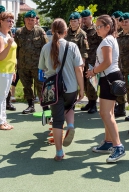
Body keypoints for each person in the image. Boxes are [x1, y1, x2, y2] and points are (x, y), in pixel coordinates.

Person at [38, 18, 84, 161]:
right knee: (69, 107)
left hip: (54, 89)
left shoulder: (46, 47)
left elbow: (42, 68)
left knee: (57, 121)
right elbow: (79, 70)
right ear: (66, 31)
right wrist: (81, 89)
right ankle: (70, 125)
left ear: (51, 31)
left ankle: (59, 152)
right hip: (70, 87)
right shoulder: (72, 46)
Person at [86, 14, 126, 163]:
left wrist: (93, 72)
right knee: (107, 113)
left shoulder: (108, 40)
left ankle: (118, 146)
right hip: (108, 77)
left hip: (110, 77)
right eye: (96, 26)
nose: (97, 29)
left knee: (106, 113)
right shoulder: (109, 39)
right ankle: (109, 142)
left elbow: (108, 62)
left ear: (108, 27)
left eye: (99, 26)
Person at [14, 10, 48, 114]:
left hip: (38, 66)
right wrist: (15, 62)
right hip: (23, 66)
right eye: (28, 19)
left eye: (32, 20)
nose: (30, 21)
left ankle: (45, 109)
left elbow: (46, 49)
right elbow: (15, 49)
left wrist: (46, 64)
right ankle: (30, 105)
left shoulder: (40, 32)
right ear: (24, 20)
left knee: (41, 87)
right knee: (27, 86)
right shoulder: (19, 32)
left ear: (35, 21)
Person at [0, 11, 17, 130]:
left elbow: (11, 55)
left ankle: (3, 120)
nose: (11, 23)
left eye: (12, 20)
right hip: (1, 70)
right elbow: (1, 56)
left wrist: (13, 70)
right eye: (8, 20)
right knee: (0, 97)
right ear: (1, 22)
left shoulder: (7, 36)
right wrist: (9, 45)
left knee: (5, 96)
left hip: (8, 70)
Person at [80, 9, 103, 114]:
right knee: (85, 82)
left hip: (93, 61)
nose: (83, 20)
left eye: (85, 18)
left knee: (92, 83)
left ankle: (93, 104)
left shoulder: (96, 29)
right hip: (83, 60)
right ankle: (89, 101)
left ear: (90, 17)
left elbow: (101, 45)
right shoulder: (81, 30)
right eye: (82, 18)